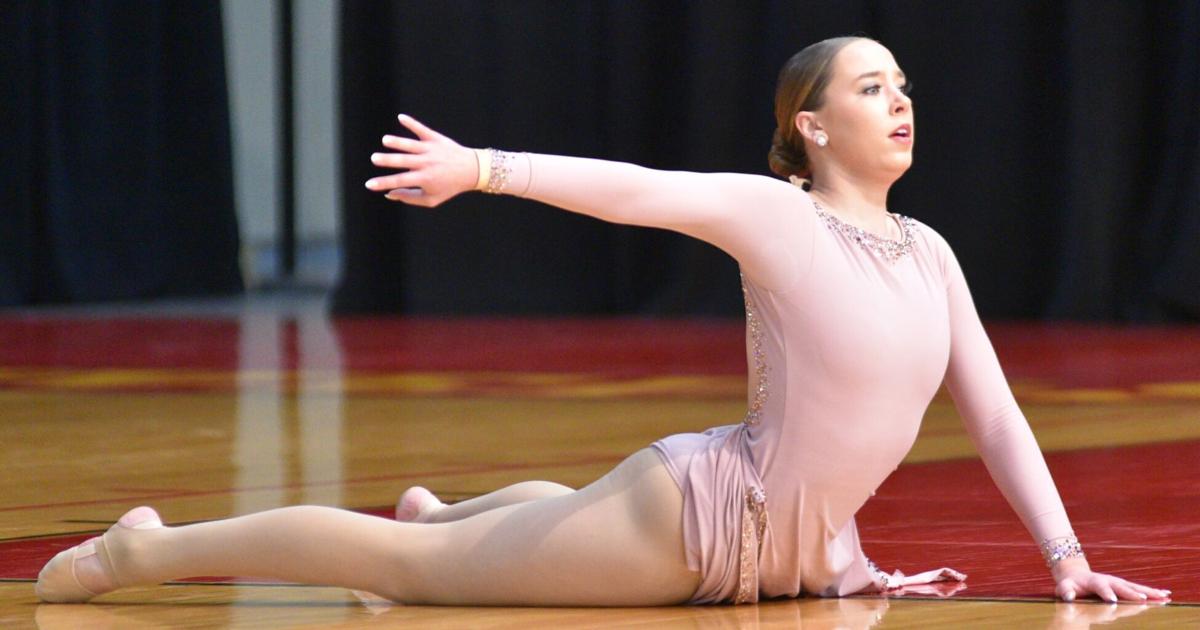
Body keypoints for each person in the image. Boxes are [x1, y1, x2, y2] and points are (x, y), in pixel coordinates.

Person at [37, 36, 1169, 606]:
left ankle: (454, 512)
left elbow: (998, 414)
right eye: (871, 87)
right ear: (811, 127)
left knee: (474, 535)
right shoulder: (776, 216)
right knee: (405, 571)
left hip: (789, 554)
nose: (900, 100)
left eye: (905, 85)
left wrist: (1066, 558)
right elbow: (630, 186)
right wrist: (480, 166)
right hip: (693, 522)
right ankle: (144, 550)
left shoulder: (930, 254)